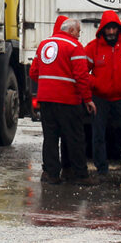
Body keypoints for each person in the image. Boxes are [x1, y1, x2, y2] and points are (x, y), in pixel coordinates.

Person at [29, 16, 97, 186]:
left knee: (50, 137)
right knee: (74, 137)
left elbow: (33, 72)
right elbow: (81, 76)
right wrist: (87, 99)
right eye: (79, 31)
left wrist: (48, 82)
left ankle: (51, 173)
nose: (79, 35)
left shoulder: (44, 45)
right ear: (71, 30)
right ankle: (80, 174)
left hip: (46, 99)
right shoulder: (74, 46)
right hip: (68, 99)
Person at [84, 10, 121, 178]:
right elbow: (82, 71)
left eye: (114, 28)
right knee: (98, 134)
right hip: (100, 97)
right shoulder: (93, 47)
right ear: (102, 30)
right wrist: (95, 83)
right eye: (107, 29)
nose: (111, 32)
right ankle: (101, 169)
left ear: (118, 29)